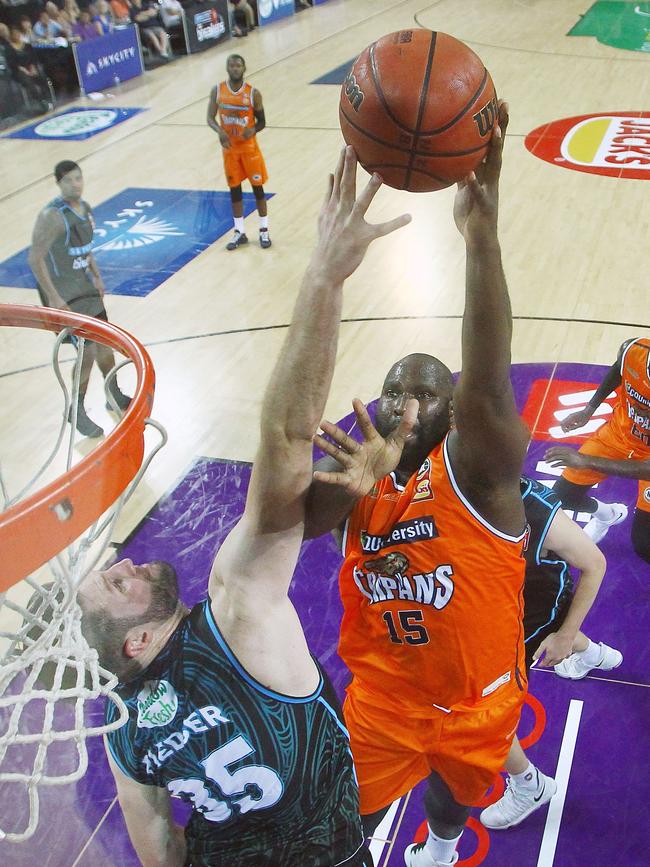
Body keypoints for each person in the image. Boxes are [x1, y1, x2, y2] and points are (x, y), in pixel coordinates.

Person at [77, 147, 409, 866]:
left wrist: (337, 489)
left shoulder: (126, 728)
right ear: (133, 642)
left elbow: (159, 842)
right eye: (118, 583)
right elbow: (286, 448)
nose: (128, 560)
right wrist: (324, 276)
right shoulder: (232, 612)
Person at [304, 103, 530, 867]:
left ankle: (437, 842)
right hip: (385, 703)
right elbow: (291, 526)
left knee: (455, 797)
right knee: (337, 819)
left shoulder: (480, 473)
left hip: (477, 701)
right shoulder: (359, 473)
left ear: (452, 407)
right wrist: (345, 486)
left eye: (427, 393)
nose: (406, 403)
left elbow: (492, 384)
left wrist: (480, 237)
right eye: (396, 388)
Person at [479, 476, 621, 830]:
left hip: (531, 611)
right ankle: (594, 655)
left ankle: (531, 787)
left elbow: (595, 563)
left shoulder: (528, 503)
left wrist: (566, 633)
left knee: (481, 712)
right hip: (492, 604)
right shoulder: (438, 484)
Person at [28, 161, 131, 438]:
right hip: (62, 293)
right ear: (59, 183)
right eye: (70, 180)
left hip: (83, 286)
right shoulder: (51, 216)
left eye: (79, 178)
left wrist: (96, 276)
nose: (76, 183)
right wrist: (54, 298)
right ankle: (76, 410)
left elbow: (86, 250)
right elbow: (34, 258)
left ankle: (113, 392)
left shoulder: (85, 209)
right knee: (86, 353)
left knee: (105, 342)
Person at [546, 337, 650, 562]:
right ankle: (607, 514)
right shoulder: (633, 350)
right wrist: (589, 409)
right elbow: (619, 369)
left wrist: (586, 461)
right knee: (560, 498)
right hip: (618, 434)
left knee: (644, 544)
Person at [207, 54, 271, 250]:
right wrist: (219, 132)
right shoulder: (218, 90)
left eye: (238, 66)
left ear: (244, 69)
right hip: (230, 151)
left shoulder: (253, 93)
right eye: (232, 65)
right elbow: (210, 118)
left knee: (258, 189)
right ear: (227, 68)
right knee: (235, 190)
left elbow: (262, 122)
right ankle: (239, 231)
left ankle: (264, 230)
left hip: (250, 150)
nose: (235, 68)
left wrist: (254, 129)